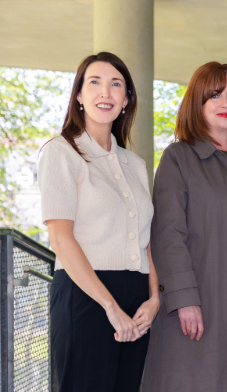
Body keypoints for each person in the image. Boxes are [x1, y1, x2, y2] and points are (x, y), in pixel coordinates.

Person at [142, 62, 227, 392]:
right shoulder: (179, 158)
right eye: (214, 95)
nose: (226, 103)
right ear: (196, 104)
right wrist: (185, 299)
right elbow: (167, 233)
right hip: (201, 300)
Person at [39, 52, 158, 391]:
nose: (105, 93)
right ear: (78, 95)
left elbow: (146, 238)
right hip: (85, 296)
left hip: (137, 300)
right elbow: (61, 239)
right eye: (94, 82)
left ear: (126, 99)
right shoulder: (61, 152)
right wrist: (109, 306)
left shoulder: (135, 164)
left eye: (116, 84)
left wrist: (154, 299)